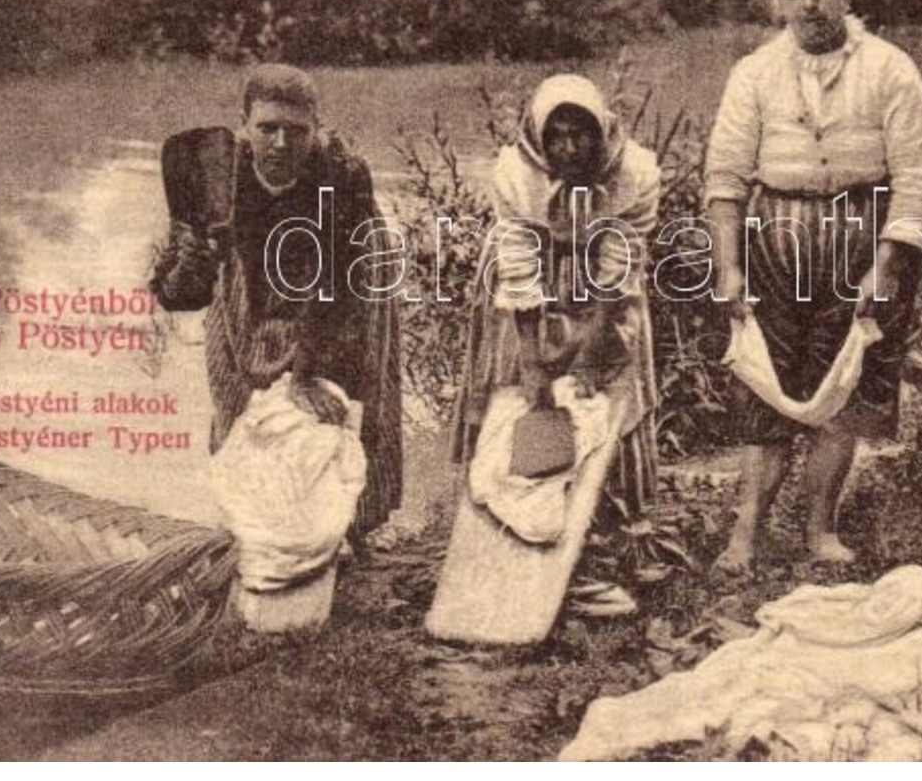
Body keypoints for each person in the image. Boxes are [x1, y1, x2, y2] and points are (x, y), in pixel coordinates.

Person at [704, 0, 922, 574]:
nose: (809, 4)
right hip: (774, 245)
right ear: (778, 2)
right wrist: (727, 266)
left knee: (846, 384)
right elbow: (725, 181)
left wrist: (886, 266)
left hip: (864, 240)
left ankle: (818, 530)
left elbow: (916, 179)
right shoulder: (753, 74)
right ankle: (745, 534)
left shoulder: (891, 69)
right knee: (763, 385)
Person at [149, 63, 402, 542]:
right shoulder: (215, 169)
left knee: (342, 402)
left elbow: (337, 288)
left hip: (346, 274)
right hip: (253, 279)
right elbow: (180, 295)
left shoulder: (343, 175)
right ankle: (250, 524)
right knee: (240, 401)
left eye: (296, 131)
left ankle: (348, 528)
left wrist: (307, 374)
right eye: (268, 129)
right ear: (244, 125)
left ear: (316, 129)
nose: (281, 144)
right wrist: (193, 257)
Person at [451, 74, 661, 594]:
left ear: (602, 131)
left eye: (581, 133)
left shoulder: (633, 172)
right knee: (519, 405)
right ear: (539, 138)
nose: (569, 148)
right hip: (531, 290)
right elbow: (517, 263)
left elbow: (619, 263)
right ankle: (497, 542)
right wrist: (531, 361)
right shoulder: (517, 173)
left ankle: (613, 541)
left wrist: (590, 354)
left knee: (611, 402)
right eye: (557, 136)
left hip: (603, 296)